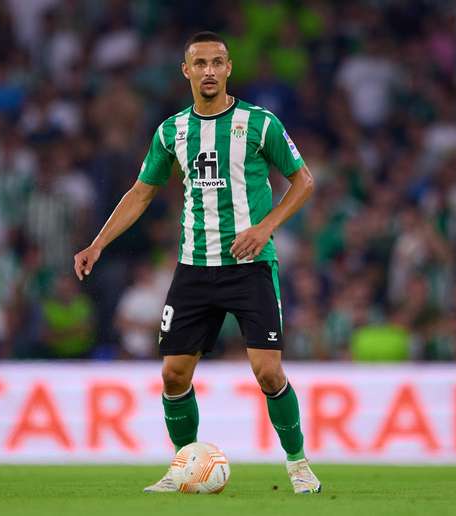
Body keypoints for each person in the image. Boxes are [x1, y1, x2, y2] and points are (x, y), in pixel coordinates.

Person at [73, 31, 319, 494]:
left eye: (217, 62)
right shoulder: (171, 131)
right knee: (173, 375)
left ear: (229, 69)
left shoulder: (259, 123)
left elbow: (303, 181)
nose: (209, 70)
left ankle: (299, 463)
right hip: (194, 268)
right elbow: (141, 192)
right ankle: (183, 466)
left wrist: (265, 227)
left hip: (250, 266)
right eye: (200, 63)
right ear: (186, 71)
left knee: (268, 372)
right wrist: (98, 243)